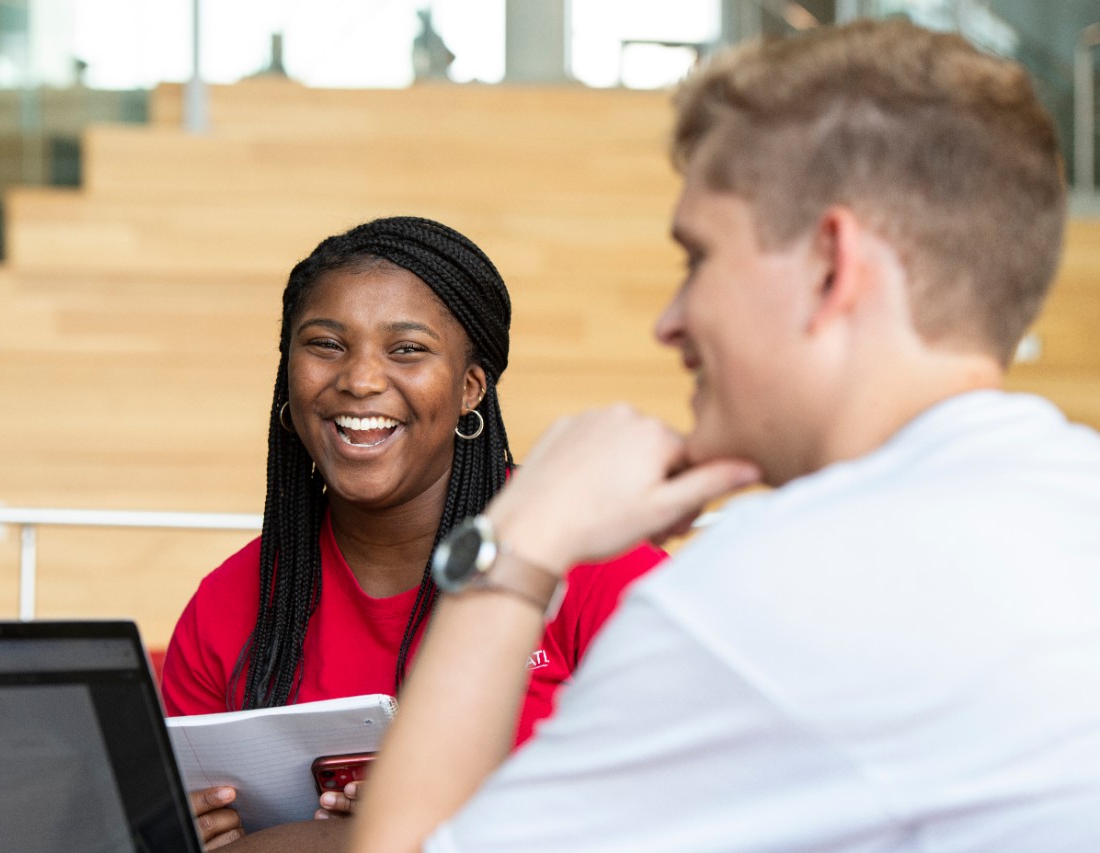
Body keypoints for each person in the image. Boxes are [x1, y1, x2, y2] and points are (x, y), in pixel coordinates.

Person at [347, 19, 1100, 853]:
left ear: (829, 265)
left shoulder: (782, 590)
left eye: (697, 259)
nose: (670, 323)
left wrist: (517, 539)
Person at [161, 216, 666, 848]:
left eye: (407, 349)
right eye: (325, 344)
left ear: (471, 387)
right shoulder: (227, 605)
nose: (361, 379)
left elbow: (696, 808)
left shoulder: (592, 567)